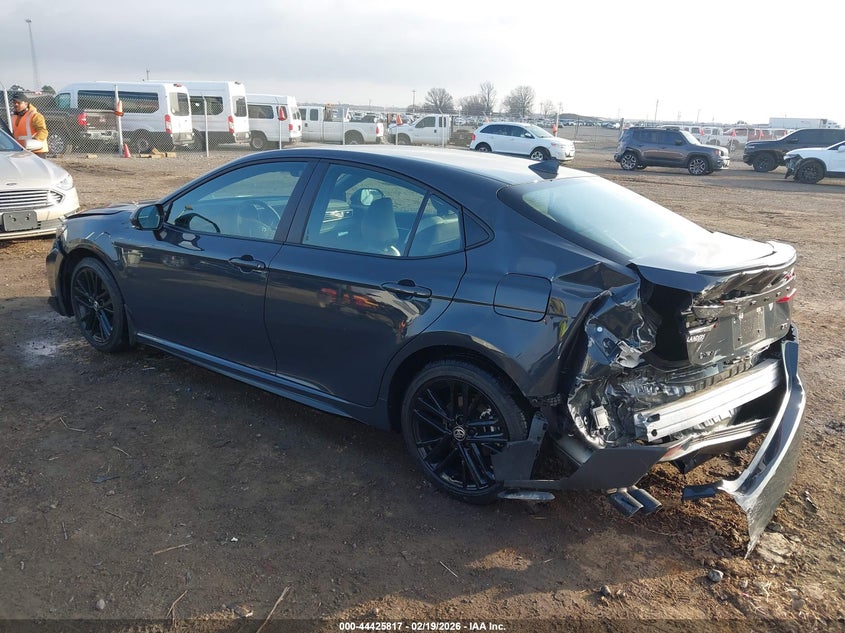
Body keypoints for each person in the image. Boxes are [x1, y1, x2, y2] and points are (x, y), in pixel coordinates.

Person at [10, 92, 48, 157]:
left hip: (36, 152)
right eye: (14, 102)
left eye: (18, 102)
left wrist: (34, 142)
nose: (15, 104)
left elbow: (43, 132)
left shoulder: (35, 116)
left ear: (26, 103)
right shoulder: (14, 116)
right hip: (22, 151)